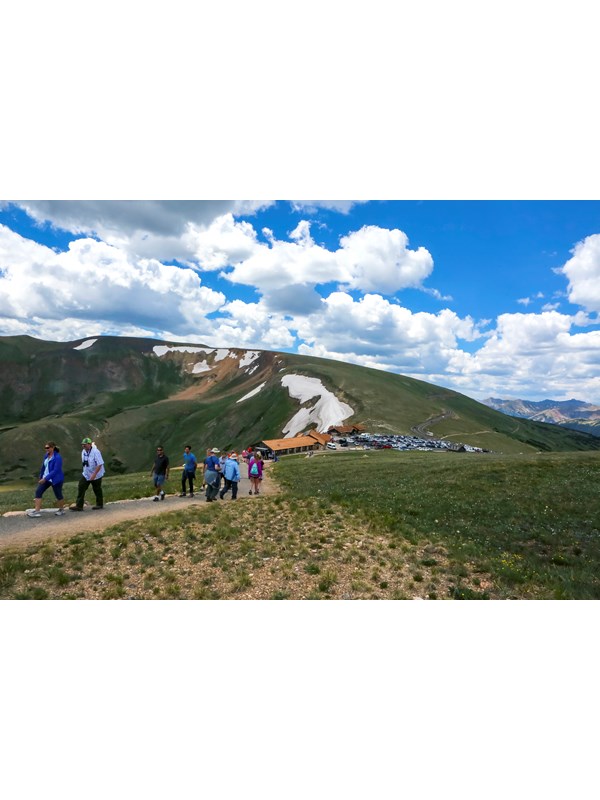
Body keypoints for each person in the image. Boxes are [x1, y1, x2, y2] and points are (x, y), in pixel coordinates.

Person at [27, 441, 66, 517]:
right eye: (45, 448)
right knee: (38, 491)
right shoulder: (46, 455)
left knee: (58, 494)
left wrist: (45, 478)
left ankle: (62, 510)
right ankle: (37, 511)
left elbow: (56, 470)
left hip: (55, 479)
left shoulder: (57, 457)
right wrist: (41, 476)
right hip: (46, 478)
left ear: (53, 447)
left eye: (48, 448)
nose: (46, 449)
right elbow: (44, 466)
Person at [70, 437, 105, 511]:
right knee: (81, 487)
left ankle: (99, 504)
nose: (83, 446)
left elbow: (100, 464)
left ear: (89, 444)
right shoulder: (83, 451)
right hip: (86, 474)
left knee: (97, 489)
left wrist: (94, 474)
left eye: (85, 445)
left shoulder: (96, 452)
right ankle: (79, 506)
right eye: (82, 445)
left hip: (96, 475)